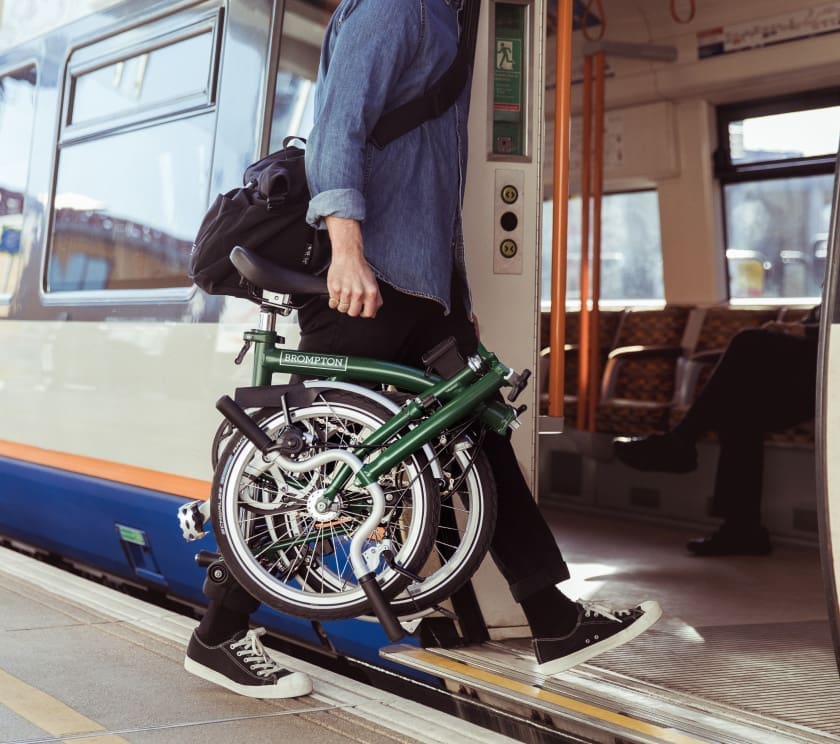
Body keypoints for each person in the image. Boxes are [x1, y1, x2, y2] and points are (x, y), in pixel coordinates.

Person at [184, 0, 660, 698]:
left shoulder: (446, 19)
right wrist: (345, 253)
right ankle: (218, 633)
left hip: (420, 289)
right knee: (315, 466)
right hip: (366, 284)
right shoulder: (394, 8)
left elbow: (436, 179)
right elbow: (337, 127)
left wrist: (455, 287)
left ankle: (553, 618)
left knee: (481, 434)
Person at [614, 307, 819, 556]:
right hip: (813, 370)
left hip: (829, 372)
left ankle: (681, 441)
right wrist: (795, 327)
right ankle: (742, 530)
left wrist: (802, 330)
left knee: (749, 341)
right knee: (737, 412)